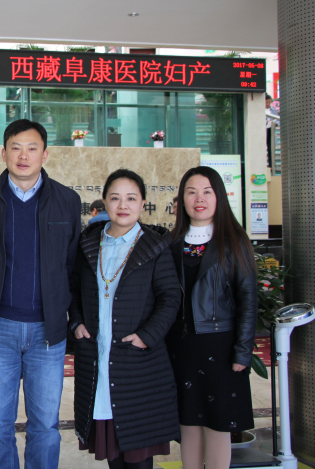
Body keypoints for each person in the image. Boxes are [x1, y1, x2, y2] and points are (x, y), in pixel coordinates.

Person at [0, 119, 81, 468]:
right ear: (3, 153)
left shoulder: (67, 200)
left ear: (45, 154)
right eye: (15, 148)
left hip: (48, 331)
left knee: (45, 424)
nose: (23, 155)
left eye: (32, 148)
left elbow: (72, 265)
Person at [69, 168, 181, 469]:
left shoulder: (155, 245)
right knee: (113, 455)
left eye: (131, 198)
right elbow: (74, 289)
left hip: (137, 361)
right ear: (104, 201)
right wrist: (76, 322)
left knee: (138, 453)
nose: (123, 205)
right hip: (97, 357)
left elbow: (171, 297)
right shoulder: (89, 243)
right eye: (115, 198)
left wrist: (148, 335)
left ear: (142, 203)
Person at [167, 166, 257, 469]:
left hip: (221, 348)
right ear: (181, 200)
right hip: (181, 347)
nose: (199, 199)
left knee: (219, 425)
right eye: (191, 192)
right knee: (188, 424)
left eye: (207, 192)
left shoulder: (234, 241)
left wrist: (243, 352)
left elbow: (248, 300)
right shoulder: (172, 243)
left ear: (219, 196)